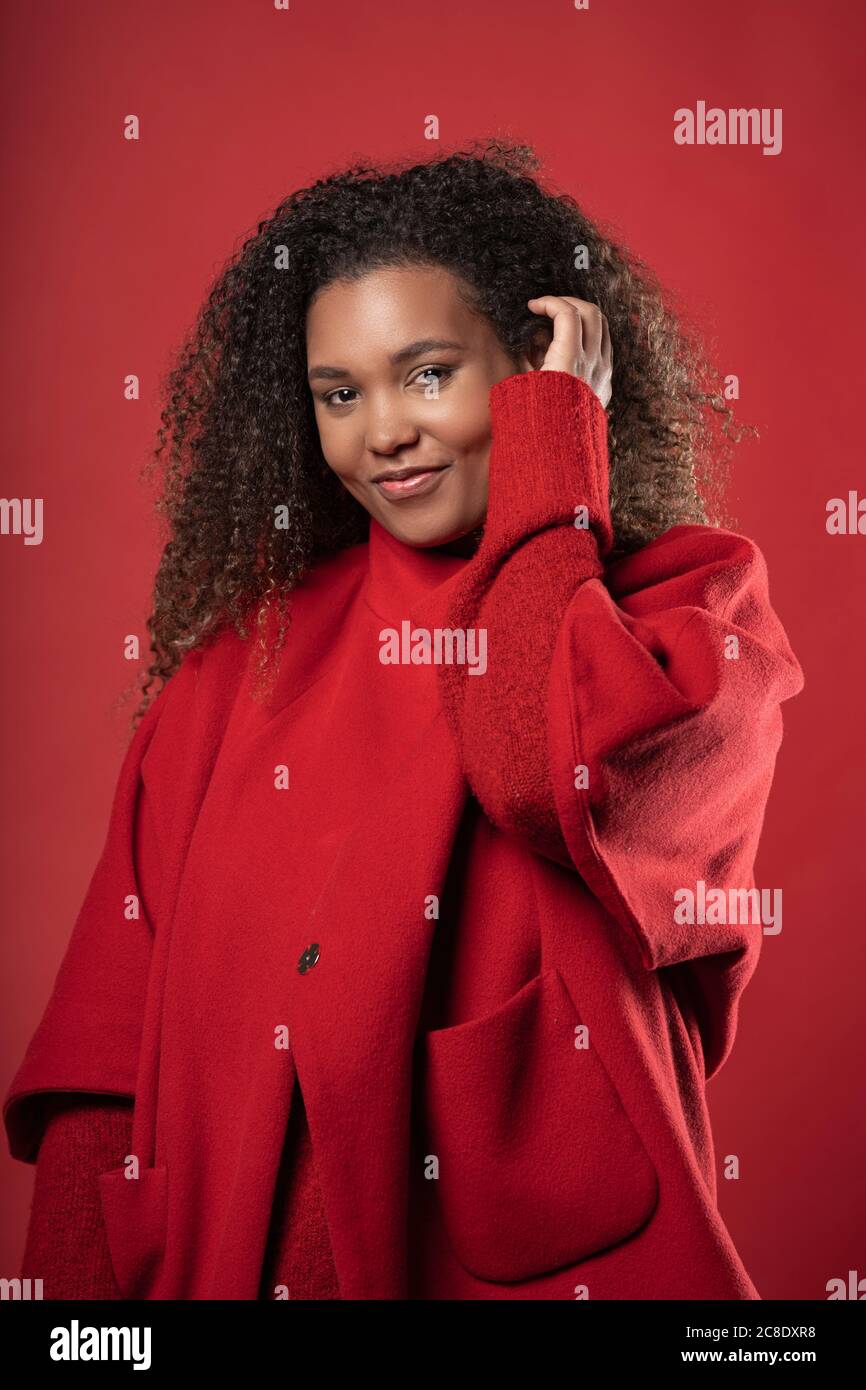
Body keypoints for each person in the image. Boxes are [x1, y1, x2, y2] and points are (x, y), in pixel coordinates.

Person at [4, 138, 804, 1300]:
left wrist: (549, 466)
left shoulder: (687, 619)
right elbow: (98, 1065)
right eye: (340, 393)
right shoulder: (241, 662)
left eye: (427, 373)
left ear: (540, 368)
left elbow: (545, 769)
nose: (382, 430)